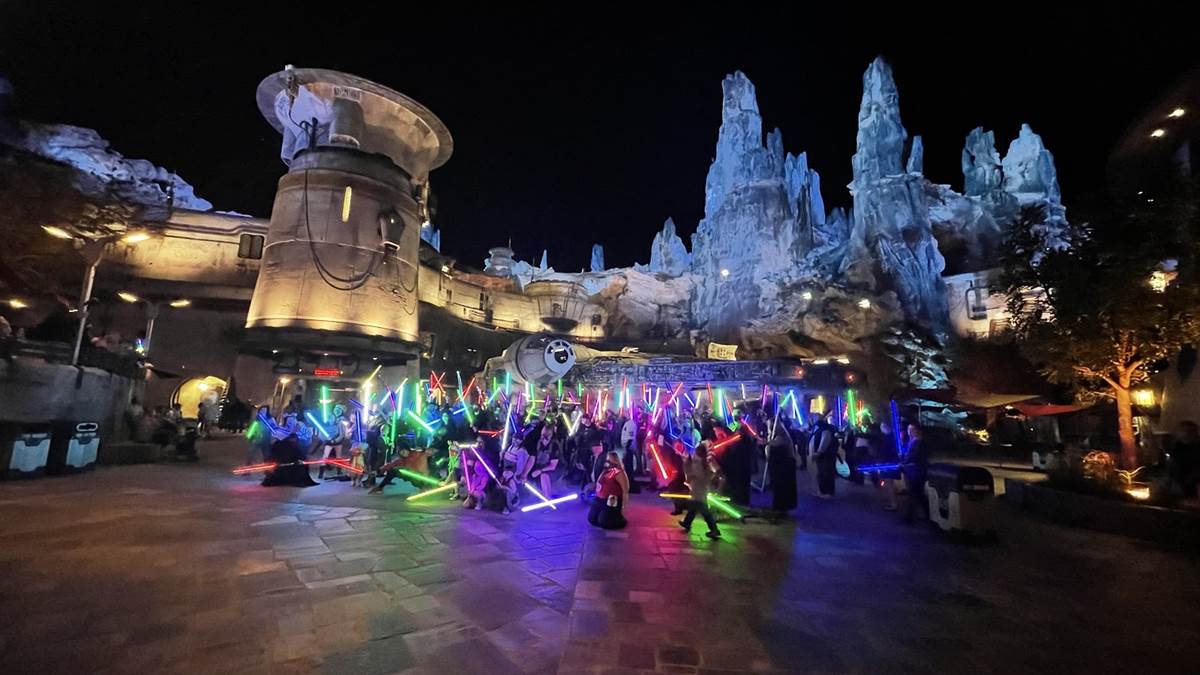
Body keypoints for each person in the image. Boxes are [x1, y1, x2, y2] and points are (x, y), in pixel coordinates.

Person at [679, 443, 721, 539]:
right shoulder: (701, 462)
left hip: (700, 488)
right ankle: (687, 522)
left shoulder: (705, 462)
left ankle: (714, 529)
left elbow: (715, 472)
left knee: (702, 508)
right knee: (695, 506)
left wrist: (708, 479)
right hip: (699, 487)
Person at [588, 451, 629, 529]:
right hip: (600, 498)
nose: (607, 461)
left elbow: (625, 489)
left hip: (612, 499)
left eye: (610, 459)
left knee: (604, 522)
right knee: (592, 519)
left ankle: (619, 519)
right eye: (607, 459)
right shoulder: (605, 471)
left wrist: (624, 505)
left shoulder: (618, 472)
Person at [899, 423, 931, 523]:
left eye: (912, 429)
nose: (910, 431)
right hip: (913, 470)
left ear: (917, 430)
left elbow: (915, 456)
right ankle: (928, 514)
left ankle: (909, 517)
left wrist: (904, 462)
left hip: (917, 471)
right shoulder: (913, 441)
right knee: (918, 494)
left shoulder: (920, 442)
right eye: (909, 429)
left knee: (914, 493)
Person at [767, 422, 798, 518]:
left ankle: (781, 508)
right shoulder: (779, 437)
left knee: (782, 487)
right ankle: (781, 507)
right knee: (780, 488)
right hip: (780, 467)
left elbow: (774, 445)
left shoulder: (782, 438)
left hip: (783, 467)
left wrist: (768, 441)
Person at [809, 413, 838, 499]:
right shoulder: (819, 429)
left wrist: (819, 452)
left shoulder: (825, 429)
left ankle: (827, 492)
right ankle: (822, 490)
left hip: (825, 456)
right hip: (822, 455)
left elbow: (825, 441)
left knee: (825, 473)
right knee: (821, 473)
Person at [529, 425, 561, 499]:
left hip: (552, 470)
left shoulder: (554, 446)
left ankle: (548, 498)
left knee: (544, 476)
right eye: (542, 435)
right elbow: (532, 458)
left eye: (546, 436)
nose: (543, 438)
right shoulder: (538, 443)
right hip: (539, 467)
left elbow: (553, 466)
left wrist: (540, 471)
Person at [1170, 421, 1200, 499]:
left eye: (1190, 431)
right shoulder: (1176, 447)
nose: (1186, 433)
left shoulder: (1197, 447)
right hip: (1178, 482)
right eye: (1183, 431)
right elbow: (1173, 466)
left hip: (1195, 482)